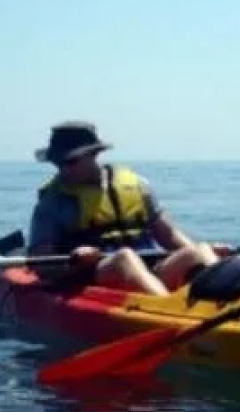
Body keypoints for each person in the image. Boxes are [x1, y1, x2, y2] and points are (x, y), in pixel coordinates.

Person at [28, 121, 218, 295]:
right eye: (57, 163)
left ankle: (233, 303)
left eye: (70, 161)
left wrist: (210, 253)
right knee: (124, 258)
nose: (64, 169)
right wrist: (74, 261)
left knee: (198, 250)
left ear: (94, 154)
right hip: (93, 273)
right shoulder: (52, 201)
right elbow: (42, 263)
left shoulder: (137, 185)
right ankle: (166, 309)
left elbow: (169, 235)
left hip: (149, 269)